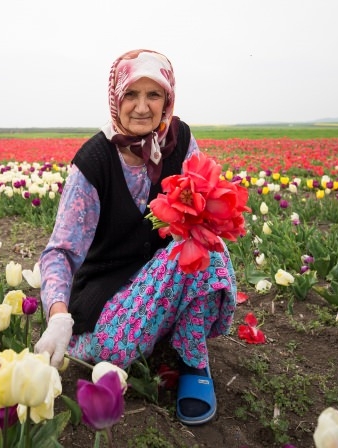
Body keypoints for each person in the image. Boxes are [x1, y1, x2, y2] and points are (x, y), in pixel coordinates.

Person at [34, 48, 237, 426]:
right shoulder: (95, 163)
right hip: (110, 296)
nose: (142, 107)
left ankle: (193, 363)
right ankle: (150, 340)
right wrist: (58, 315)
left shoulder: (180, 141)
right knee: (113, 348)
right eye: (131, 94)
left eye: (153, 95)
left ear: (168, 99)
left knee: (208, 245)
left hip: (164, 278)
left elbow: (205, 199)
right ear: (116, 98)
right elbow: (59, 252)